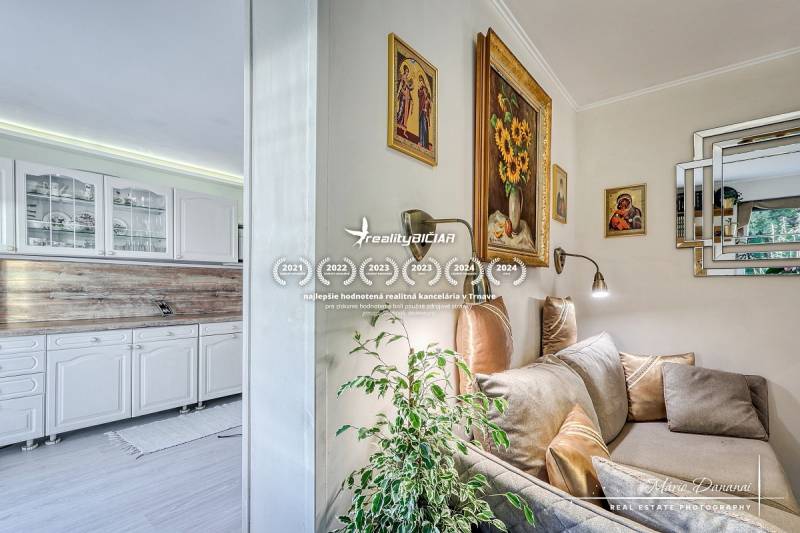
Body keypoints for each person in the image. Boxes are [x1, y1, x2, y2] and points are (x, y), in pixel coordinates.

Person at [395, 65, 413, 132]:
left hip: (407, 97)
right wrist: (402, 92)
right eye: (406, 71)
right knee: (401, 109)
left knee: (405, 111)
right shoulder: (403, 77)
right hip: (403, 96)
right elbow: (401, 86)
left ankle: (402, 123)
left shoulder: (407, 79)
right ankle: (398, 121)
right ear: (404, 71)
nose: (407, 73)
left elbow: (408, 88)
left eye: (408, 72)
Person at [417, 76, 431, 149]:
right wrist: (420, 88)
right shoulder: (422, 95)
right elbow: (419, 94)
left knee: (425, 128)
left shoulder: (427, 99)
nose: (424, 92)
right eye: (424, 91)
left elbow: (430, 106)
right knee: (421, 127)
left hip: (425, 114)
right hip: (422, 113)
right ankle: (421, 142)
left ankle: (425, 144)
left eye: (425, 91)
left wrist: (427, 111)